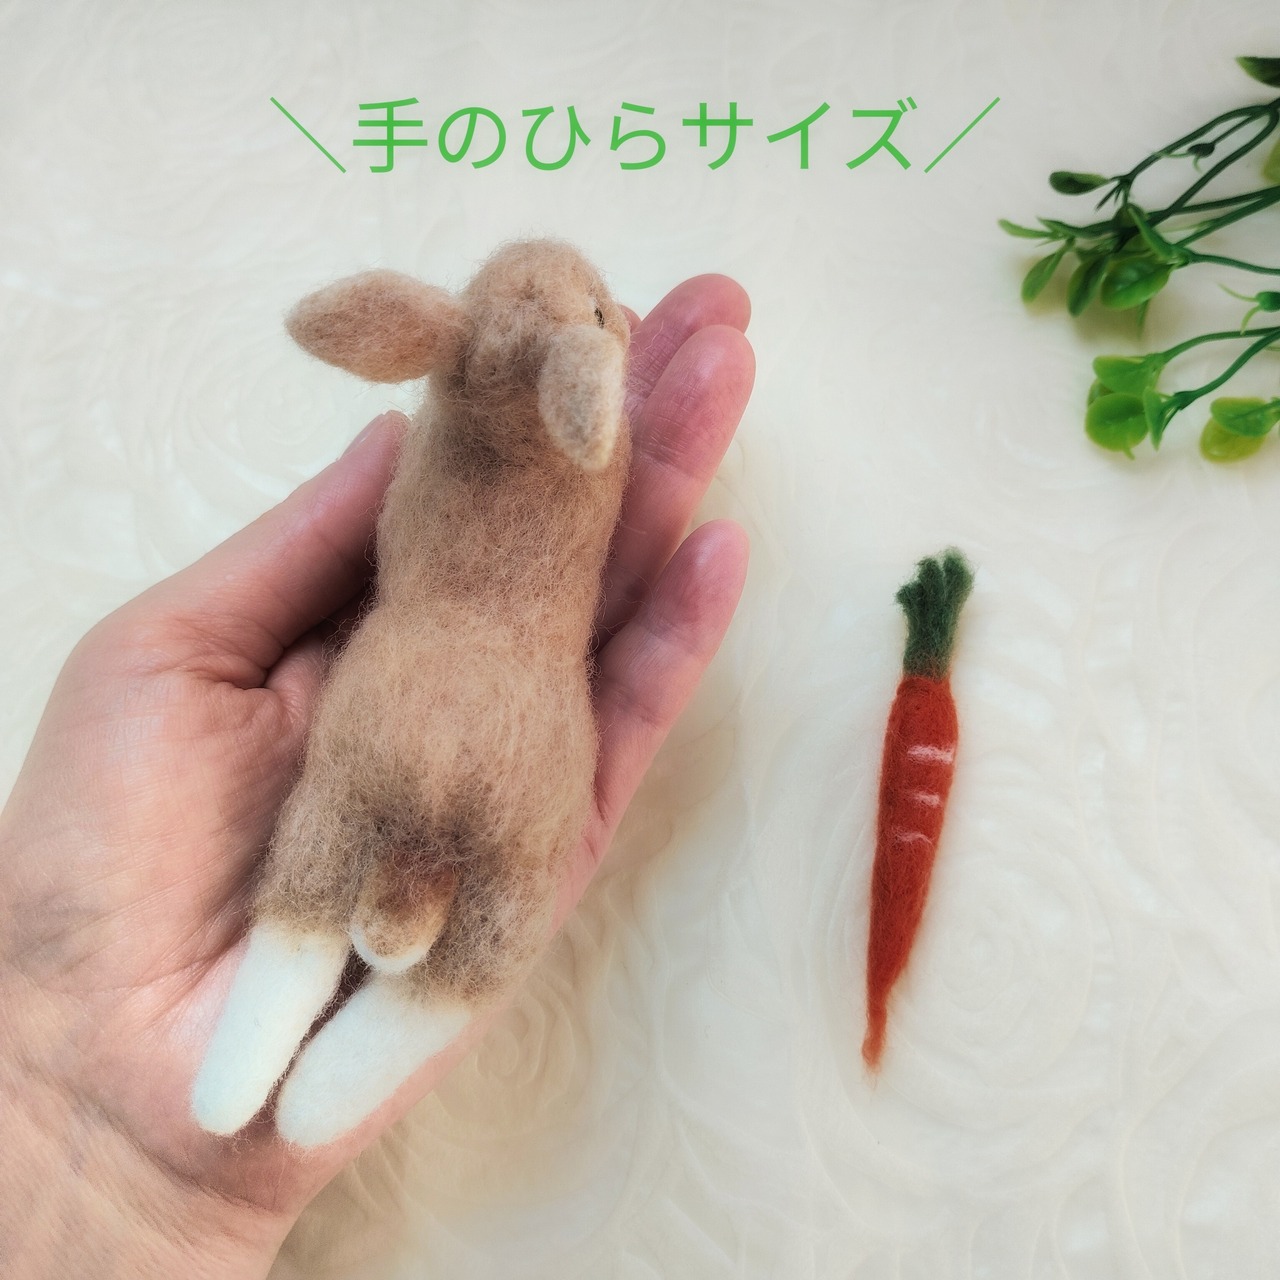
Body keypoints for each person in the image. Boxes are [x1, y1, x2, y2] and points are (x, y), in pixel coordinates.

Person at [0, 274, 754, 1277]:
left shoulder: (448, 387)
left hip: (394, 682)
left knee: (326, 845)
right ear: (590, 367)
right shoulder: (594, 437)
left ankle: (279, 997)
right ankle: (388, 1033)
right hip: (531, 726)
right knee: (494, 909)